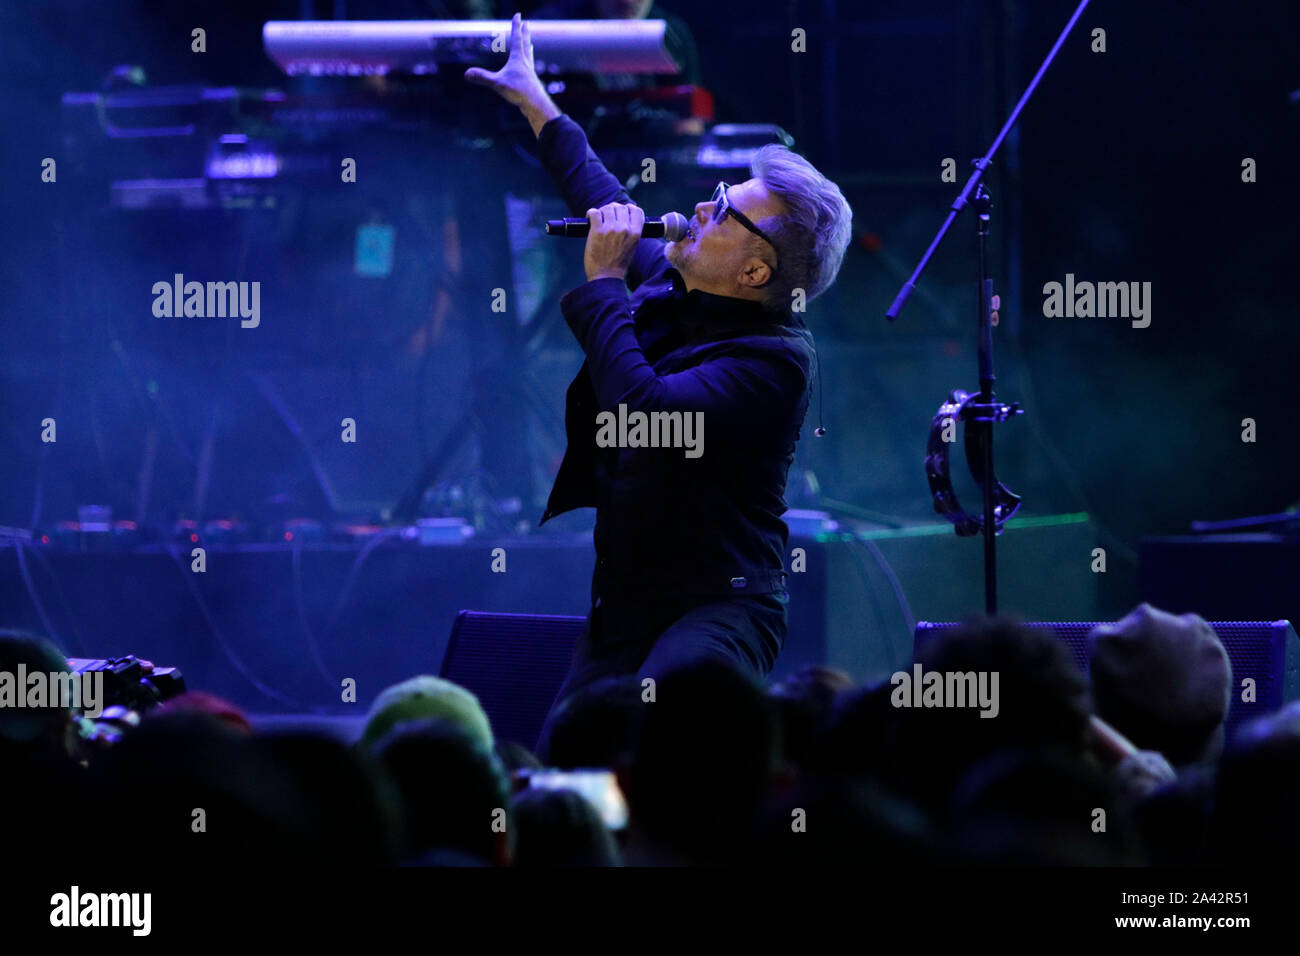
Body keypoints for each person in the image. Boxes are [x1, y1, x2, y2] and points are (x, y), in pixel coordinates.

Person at [465, 15, 852, 760]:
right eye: (716, 192)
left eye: (728, 213)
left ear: (755, 272)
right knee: (565, 765)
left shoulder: (773, 361)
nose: (702, 206)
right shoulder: (674, 285)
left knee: (661, 737)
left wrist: (605, 281)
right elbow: (599, 188)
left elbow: (645, 415)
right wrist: (536, 103)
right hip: (628, 601)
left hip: (723, 604)